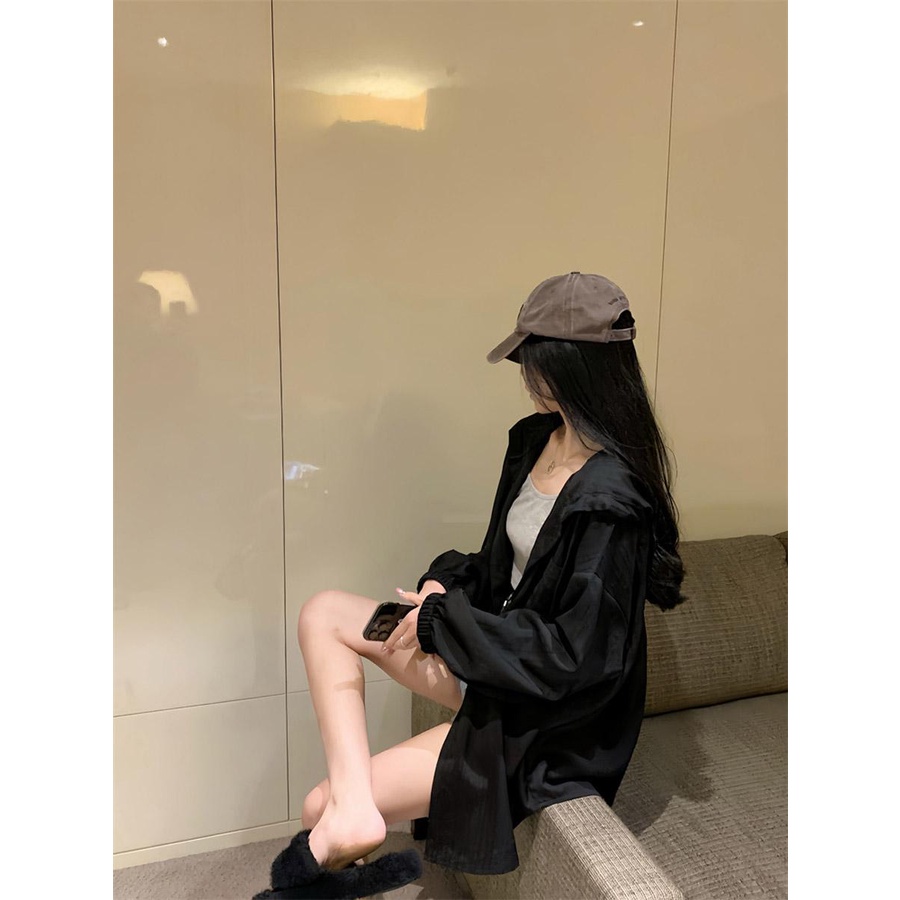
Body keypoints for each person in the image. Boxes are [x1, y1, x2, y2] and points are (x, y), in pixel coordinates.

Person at [267, 272, 687, 896]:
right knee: (323, 611)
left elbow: (574, 659)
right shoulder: (536, 441)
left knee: (314, 808)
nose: (525, 374)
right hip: (495, 660)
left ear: (570, 365)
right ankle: (355, 807)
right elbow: (499, 562)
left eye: (533, 360)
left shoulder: (612, 501)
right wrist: (444, 587)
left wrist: (446, 626)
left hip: (546, 711)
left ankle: (347, 812)